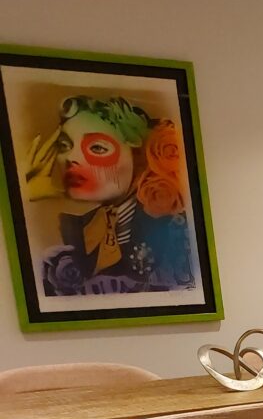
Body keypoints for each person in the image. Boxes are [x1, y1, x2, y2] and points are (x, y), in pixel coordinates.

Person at [22, 94, 195, 295]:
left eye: (97, 147)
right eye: (64, 146)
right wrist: (25, 202)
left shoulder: (175, 229)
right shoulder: (75, 229)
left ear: (139, 156)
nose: (71, 158)